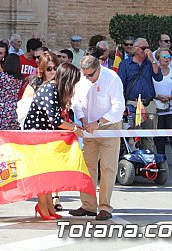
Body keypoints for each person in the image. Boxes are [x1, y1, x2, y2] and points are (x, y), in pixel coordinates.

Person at [23, 63, 82, 220]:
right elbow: (55, 119)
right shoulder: (50, 89)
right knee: (43, 173)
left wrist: (74, 126)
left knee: (47, 172)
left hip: (44, 135)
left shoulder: (52, 89)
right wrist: (74, 128)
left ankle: (47, 207)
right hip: (38, 136)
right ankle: (43, 207)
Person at [70, 55, 125, 221]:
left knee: (108, 168)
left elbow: (118, 108)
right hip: (88, 128)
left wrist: (98, 122)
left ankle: (105, 207)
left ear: (99, 68)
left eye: (90, 75)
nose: (87, 78)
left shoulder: (112, 79)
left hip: (109, 127)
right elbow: (76, 101)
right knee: (87, 166)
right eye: (85, 74)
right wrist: (82, 118)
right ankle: (88, 205)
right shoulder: (81, 79)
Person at [117, 37, 162, 153]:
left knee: (149, 135)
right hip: (132, 103)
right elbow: (121, 84)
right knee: (133, 134)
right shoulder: (125, 64)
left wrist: (152, 59)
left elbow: (159, 77)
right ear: (135, 49)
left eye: (147, 48)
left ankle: (149, 160)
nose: (145, 50)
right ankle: (133, 160)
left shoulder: (149, 63)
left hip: (148, 103)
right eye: (143, 48)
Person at [152, 49, 172, 167]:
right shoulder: (154, 71)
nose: (166, 58)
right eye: (164, 56)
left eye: (168, 57)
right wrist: (157, 96)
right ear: (158, 58)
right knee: (159, 133)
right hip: (157, 106)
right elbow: (150, 88)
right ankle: (161, 157)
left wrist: (170, 97)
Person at [0, 53, 23, 130]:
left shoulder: (1, 76)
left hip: (2, 108)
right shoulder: (19, 78)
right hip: (15, 107)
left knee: (2, 132)